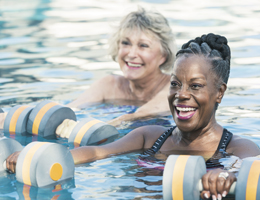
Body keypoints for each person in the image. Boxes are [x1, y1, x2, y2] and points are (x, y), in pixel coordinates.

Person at [6, 33, 260, 200]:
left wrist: (226, 177)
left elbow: (252, 170)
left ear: (219, 93)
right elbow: (97, 153)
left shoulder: (237, 148)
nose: (181, 95)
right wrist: (39, 156)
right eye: (175, 84)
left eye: (195, 86)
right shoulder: (150, 137)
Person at [66, 7, 176, 126]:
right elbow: (71, 109)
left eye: (143, 45)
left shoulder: (176, 87)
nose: (132, 54)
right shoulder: (109, 84)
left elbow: (141, 115)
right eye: (125, 43)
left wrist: (105, 127)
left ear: (163, 55)